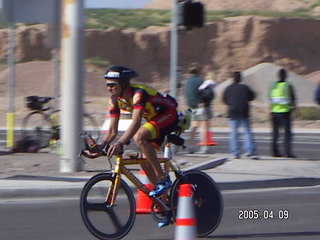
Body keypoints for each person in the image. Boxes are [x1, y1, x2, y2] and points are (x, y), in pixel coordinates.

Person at [93, 66, 179, 203]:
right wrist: (101, 145)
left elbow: (136, 122)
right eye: (107, 85)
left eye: (112, 85)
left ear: (123, 84)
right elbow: (112, 131)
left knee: (139, 136)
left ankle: (163, 179)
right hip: (154, 120)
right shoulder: (114, 100)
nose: (109, 88)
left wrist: (120, 143)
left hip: (169, 115)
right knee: (145, 163)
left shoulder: (138, 94)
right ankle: (165, 202)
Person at [222, 71, 258, 159]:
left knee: (234, 133)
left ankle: (235, 152)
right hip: (244, 111)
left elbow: (224, 100)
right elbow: (252, 97)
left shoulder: (228, 88)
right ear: (240, 78)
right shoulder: (245, 87)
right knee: (247, 132)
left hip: (233, 111)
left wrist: (231, 102)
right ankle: (250, 151)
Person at [184, 64, 214, 153]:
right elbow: (209, 94)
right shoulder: (201, 81)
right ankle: (204, 147)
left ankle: (190, 146)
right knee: (203, 127)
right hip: (202, 106)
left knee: (194, 127)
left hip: (192, 107)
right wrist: (205, 100)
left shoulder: (188, 82)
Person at [268, 68, 296, 158]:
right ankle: (287, 152)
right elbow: (293, 98)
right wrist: (293, 108)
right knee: (287, 134)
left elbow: (270, 99)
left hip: (274, 112)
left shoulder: (273, 85)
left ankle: (275, 152)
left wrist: (270, 110)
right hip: (285, 112)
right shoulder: (288, 85)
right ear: (285, 76)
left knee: (275, 134)